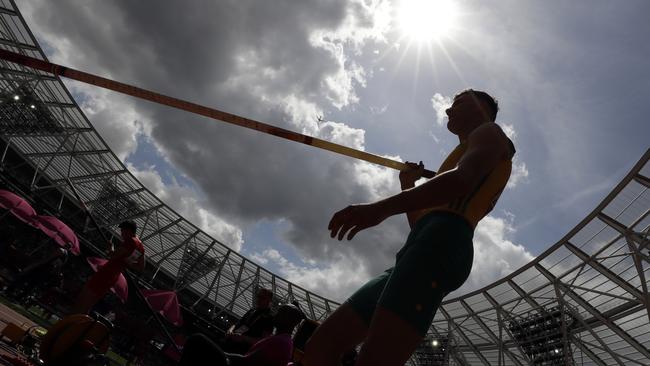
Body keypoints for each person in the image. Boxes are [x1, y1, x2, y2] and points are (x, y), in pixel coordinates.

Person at [302, 89, 515, 366]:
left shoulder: (491, 133)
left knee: (374, 359)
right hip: (424, 242)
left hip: (444, 241)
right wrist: (407, 185)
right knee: (322, 344)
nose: (449, 111)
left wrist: (380, 208)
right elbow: (420, 224)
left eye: (458, 103)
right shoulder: (461, 153)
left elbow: (461, 181)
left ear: (481, 109)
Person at [179, 304, 305, 366]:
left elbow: (246, 361)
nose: (276, 315)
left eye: (281, 313)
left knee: (197, 340)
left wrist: (221, 353)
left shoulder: (281, 342)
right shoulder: (283, 340)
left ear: (289, 320)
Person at [72, 220, 145, 314]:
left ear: (129, 231)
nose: (122, 233)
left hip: (107, 272)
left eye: (123, 231)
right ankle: (78, 322)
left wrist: (110, 247)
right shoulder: (141, 248)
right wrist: (125, 262)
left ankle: (71, 320)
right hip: (113, 277)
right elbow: (141, 268)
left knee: (84, 297)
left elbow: (113, 255)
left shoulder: (130, 242)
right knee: (90, 302)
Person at [221, 288, 275, 354]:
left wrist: (244, 338)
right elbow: (239, 322)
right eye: (258, 296)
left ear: (269, 300)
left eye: (262, 297)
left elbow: (263, 340)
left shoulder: (270, 317)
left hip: (243, 350)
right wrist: (230, 330)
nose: (258, 299)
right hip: (231, 342)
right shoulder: (253, 310)